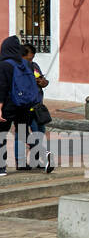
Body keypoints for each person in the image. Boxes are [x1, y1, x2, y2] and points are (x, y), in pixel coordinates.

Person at [0, 35, 52, 175]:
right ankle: (43, 153)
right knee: (22, 133)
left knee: (2, 135)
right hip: (25, 105)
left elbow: (2, 87)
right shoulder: (28, 64)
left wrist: (0, 107)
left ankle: (1, 168)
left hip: (8, 106)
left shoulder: (4, 65)